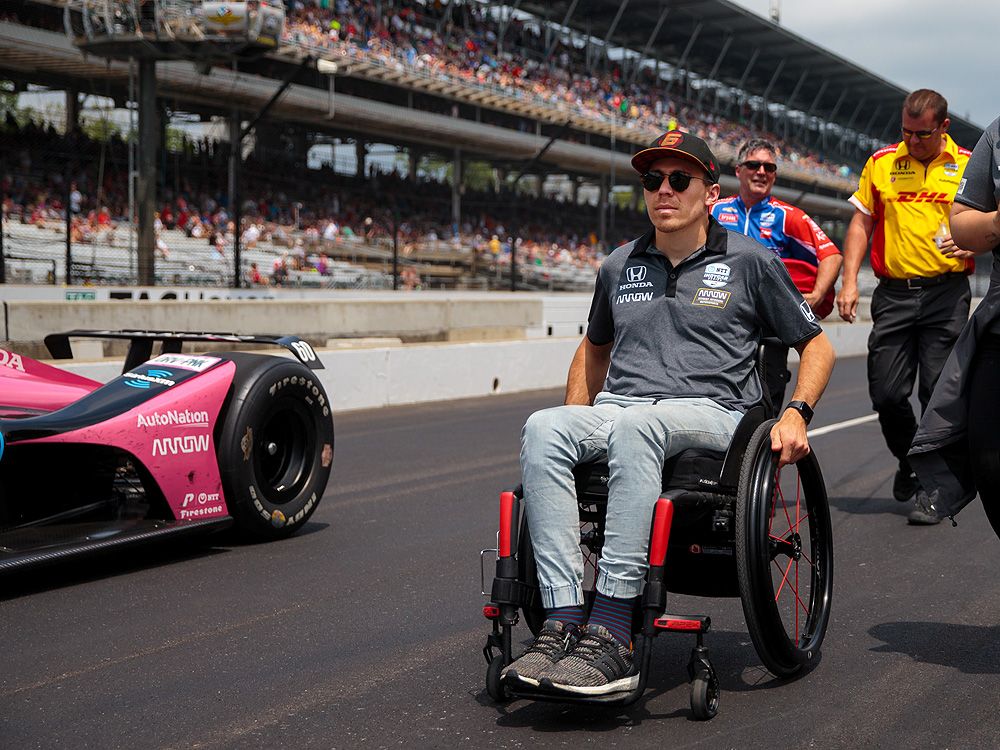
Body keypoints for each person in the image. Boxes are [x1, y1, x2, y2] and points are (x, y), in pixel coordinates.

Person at [504, 131, 835, 696]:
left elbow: (816, 345)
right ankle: (561, 621)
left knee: (639, 426)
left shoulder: (751, 262)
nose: (664, 190)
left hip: (714, 411)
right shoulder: (618, 266)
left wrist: (797, 412)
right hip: (621, 406)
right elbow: (594, 349)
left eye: (679, 180)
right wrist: (575, 423)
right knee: (544, 428)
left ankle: (612, 630)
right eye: (652, 180)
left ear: (709, 193)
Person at [836, 89, 973, 524]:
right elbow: (862, 221)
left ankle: (935, 489)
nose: (911, 142)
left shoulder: (969, 165)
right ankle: (911, 460)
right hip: (893, 294)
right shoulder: (881, 163)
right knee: (887, 393)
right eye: (906, 133)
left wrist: (970, 234)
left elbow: (993, 221)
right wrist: (849, 280)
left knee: (937, 394)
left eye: (922, 134)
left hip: (946, 294)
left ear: (943, 128)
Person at [909, 115, 1000, 529]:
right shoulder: (997, 133)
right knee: (988, 459)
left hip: (946, 294)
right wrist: (998, 221)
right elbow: (961, 224)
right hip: (996, 321)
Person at [712, 138, 842, 413]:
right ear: (738, 170)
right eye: (754, 165)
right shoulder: (714, 211)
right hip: (720, 321)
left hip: (769, 328)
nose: (762, 172)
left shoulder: (788, 215)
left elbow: (831, 254)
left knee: (766, 407)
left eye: (769, 168)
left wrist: (817, 295)